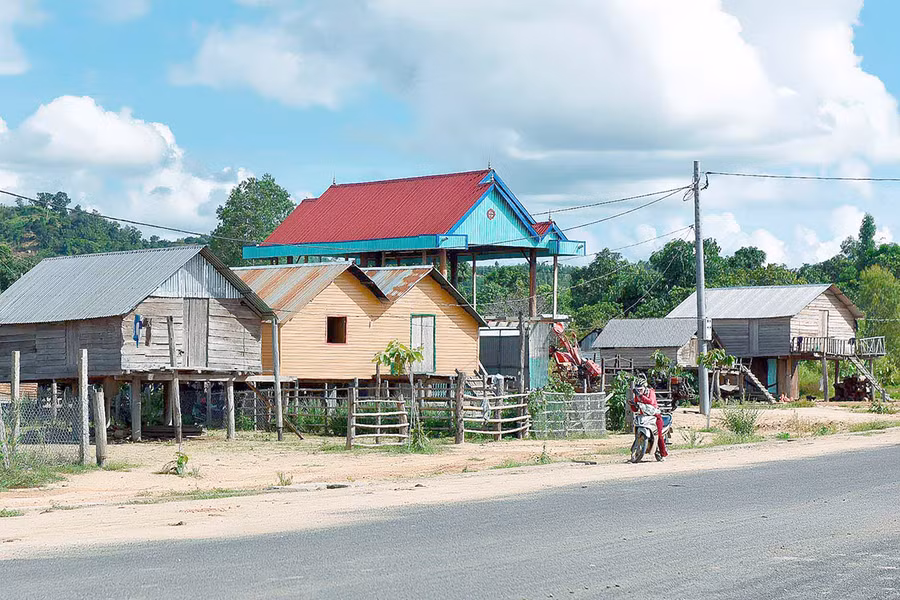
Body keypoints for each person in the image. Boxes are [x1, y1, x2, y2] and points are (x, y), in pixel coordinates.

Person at [630, 376, 668, 459]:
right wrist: (632, 404)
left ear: (645, 388)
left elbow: (650, 401)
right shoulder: (638, 395)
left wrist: (640, 396)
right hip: (644, 417)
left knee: (659, 435)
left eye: (641, 389)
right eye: (638, 389)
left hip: (655, 416)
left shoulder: (651, 392)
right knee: (637, 430)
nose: (639, 391)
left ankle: (663, 454)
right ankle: (637, 450)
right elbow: (635, 409)